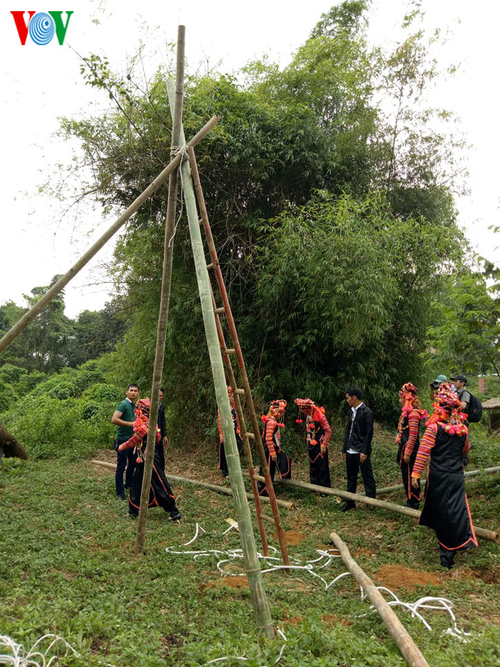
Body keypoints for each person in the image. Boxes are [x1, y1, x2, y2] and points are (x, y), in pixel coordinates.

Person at [411, 384, 477, 569]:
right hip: (456, 476)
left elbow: (423, 452)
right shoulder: (463, 430)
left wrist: (415, 474)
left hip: (439, 477)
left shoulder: (433, 429)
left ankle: (446, 552)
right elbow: (465, 449)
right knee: (455, 509)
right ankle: (454, 543)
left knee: (443, 511)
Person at [118, 398, 181, 521]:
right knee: (137, 484)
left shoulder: (145, 424)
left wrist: (121, 447)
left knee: (159, 484)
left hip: (151, 458)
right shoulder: (147, 421)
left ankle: (174, 512)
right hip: (143, 458)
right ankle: (133, 510)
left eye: (138, 409)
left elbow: (133, 441)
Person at [341, 387, 376, 511]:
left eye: (347, 398)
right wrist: (344, 447)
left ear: (354, 397)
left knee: (367, 476)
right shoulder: (351, 411)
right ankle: (350, 501)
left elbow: (368, 433)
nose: (347, 400)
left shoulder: (367, 412)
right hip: (351, 448)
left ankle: (371, 501)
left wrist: (364, 450)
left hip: (361, 450)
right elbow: (348, 430)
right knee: (351, 476)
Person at [397, 383, 427, 509]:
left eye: (401, 397)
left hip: (410, 450)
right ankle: (410, 498)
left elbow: (413, 435)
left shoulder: (413, 414)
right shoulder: (407, 413)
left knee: (410, 475)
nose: (400, 400)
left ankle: (414, 501)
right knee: (406, 475)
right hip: (405, 447)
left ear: (406, 397)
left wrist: (408, 452)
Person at [294, 398, 332, 489]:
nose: (303, 412)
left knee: (322, 466)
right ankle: (314, 487)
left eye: (304, 410)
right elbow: (308, 430)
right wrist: (308, 440)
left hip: (320, 443)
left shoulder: (320, 416)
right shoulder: (308, 416)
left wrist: (324, 444)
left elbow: (328, 431)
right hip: (311, 443)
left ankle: (324, 489)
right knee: (313, 465)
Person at [111, 383, 139, 500]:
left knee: (133, 463)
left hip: (132, 440)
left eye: (135, 391)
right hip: (122, 439)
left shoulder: (135, 406)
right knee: (121, 466)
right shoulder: (124, 404)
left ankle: (129, 484)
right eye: (131, 390)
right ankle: (120, 492)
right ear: (126, 392)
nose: (133, 392)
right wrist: (130, 424)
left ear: (138, 393)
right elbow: (114, 419)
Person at [258, 399, 291, 496]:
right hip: (269, 449)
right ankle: (264, 490)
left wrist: (278, 447)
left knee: (272, 468)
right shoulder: (271, 422)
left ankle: (268, 488)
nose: (281, 414)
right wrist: (272, 452)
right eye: (280, 412)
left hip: (272, 447)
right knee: (267, 469)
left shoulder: (272, 421)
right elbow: (268, 439)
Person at [217, 386, 243, 478]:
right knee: (225, 450)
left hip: (234, 431)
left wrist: (238, 429)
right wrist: (221, 434)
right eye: (231, 398)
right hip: (226, 432)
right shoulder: (223, 408)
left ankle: (234, 467)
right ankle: (225, 470)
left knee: (237, 444)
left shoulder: (234, 408)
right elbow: (220, 420)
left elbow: (238, 419)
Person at [157, 387, 168, 471]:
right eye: (157, 395)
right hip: (150, 437)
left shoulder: (161, 406)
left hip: (159, 435)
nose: (159, 397)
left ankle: (162, 480)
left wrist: (164, 435)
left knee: (161, 458)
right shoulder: (147, 406)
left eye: (161, 396)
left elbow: (163, 421)